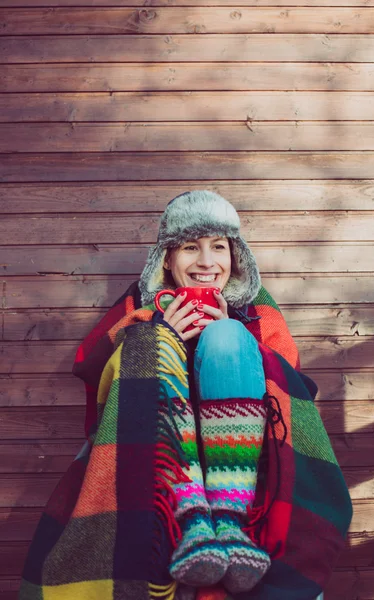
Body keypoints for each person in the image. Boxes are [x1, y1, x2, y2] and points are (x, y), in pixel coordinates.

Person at [19, 191, 351, 600]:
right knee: (149, 341)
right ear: (166, 259)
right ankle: (193, 519)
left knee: (227, 335)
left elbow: (293, 391)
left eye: (219, 247)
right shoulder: (139, 305)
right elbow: (98, 370)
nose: (207, 262)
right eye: (191, 247)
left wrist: (235, 338)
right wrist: (161, 333)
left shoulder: (258, 311)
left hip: (248, 469)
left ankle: (228, 522)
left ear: (236, 257)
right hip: (161, 476)